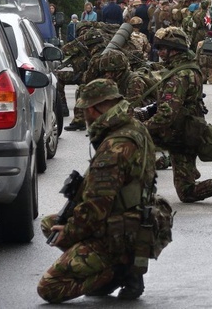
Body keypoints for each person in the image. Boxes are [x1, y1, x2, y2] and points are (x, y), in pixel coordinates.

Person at [37, 79, 156, 302]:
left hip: (118, 231)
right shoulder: (134, 127)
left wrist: (70, 231)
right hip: (135, 220)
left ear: (92, 109)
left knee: (49, 287)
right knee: (48, 224)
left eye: (84, 110)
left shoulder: (115, 145)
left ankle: (117, 271)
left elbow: (96, 206)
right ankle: (113, 265)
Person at [144, 27, 212, 204]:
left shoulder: (178, 76)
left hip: (175, 135)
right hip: (189, 132)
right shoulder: (190, 68)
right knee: (187, 192)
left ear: (174, 50)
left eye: (162, 48)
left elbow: (165, 116)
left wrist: (139, 128)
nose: (159, 52)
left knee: (130, 146)